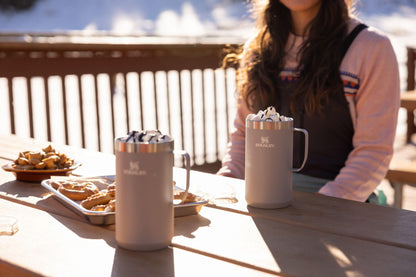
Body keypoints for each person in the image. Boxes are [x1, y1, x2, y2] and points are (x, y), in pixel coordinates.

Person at [216, 0, 400, 202]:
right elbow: (244, 136)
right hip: (264, 200)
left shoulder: (369, 47)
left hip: (341, 204)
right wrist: (226, 184)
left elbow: (373, 151)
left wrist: (322, 205)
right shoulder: (257, 49)